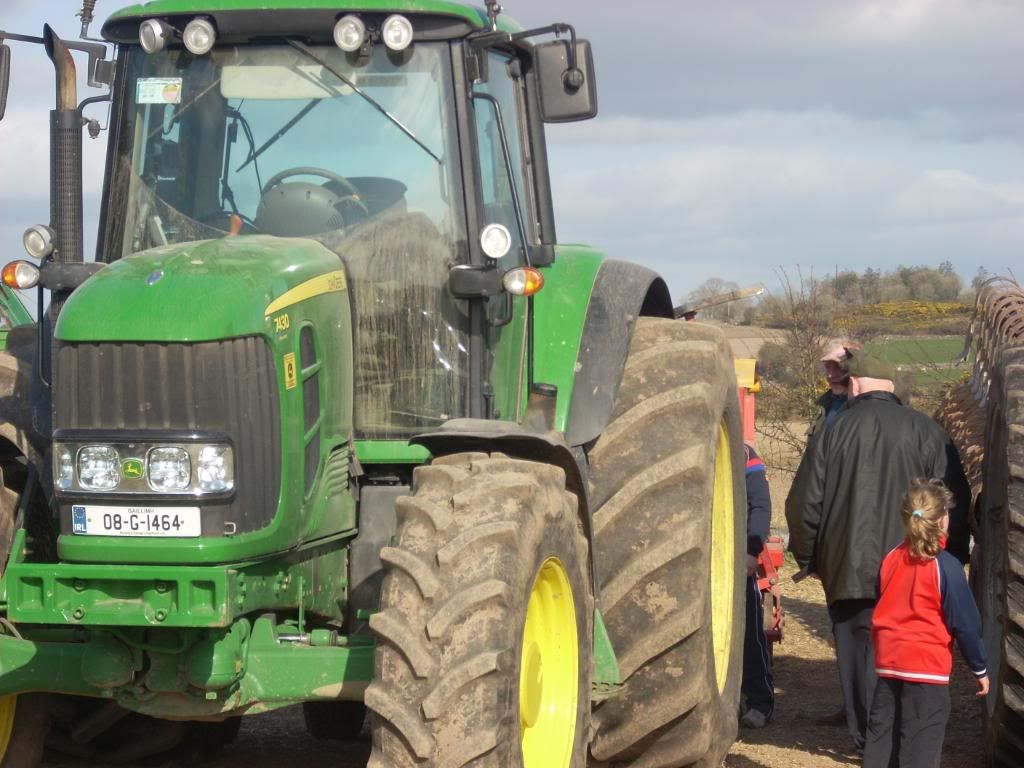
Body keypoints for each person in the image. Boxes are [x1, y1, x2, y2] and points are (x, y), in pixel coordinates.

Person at [786, 348, 970, 754]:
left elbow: (803, 504)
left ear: (854, 385)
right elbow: (952, 498)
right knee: (908, 654)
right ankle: (906, 745)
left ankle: (868, 744)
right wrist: (950, 558)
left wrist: (811, 559)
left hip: (846, 571)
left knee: (857, 659)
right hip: (915, 568)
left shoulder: (832, 431)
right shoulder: (929, 431)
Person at [863, 478, 988, 768]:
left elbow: (881, 600)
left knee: (882, 746)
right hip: (926, 672)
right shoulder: (946, 567)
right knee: (920, 750)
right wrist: (979, 667)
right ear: (944, 519)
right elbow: (966, 624)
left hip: (887, 666)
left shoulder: (890, 559)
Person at [740, 443, 774, 728]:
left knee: (749, 632)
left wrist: (752, 551)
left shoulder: (744, 454)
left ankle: (760, 701)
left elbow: (760, 505)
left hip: (736, 557)